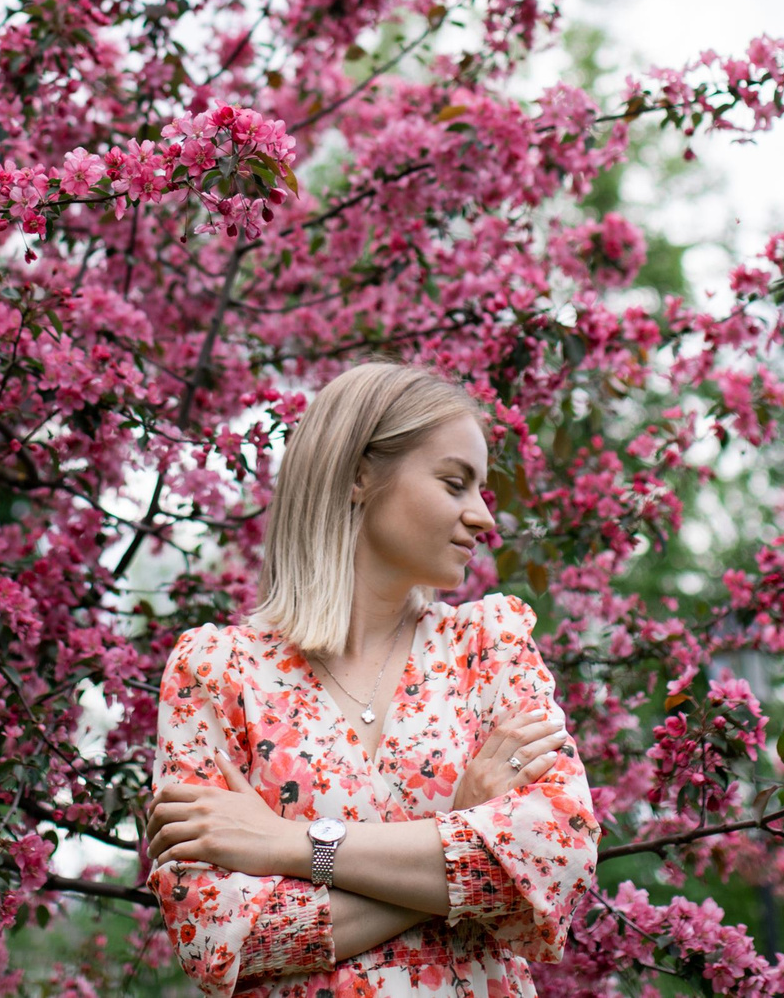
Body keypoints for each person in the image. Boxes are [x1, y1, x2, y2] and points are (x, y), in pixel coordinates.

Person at [142, 363, 601, 996]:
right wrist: (459, 839)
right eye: (455, 483)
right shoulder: (217, 671)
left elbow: (553, 861)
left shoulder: (488, 646)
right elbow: (221, 939)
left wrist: (289, 844)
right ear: (360, 474)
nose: (483, 518)